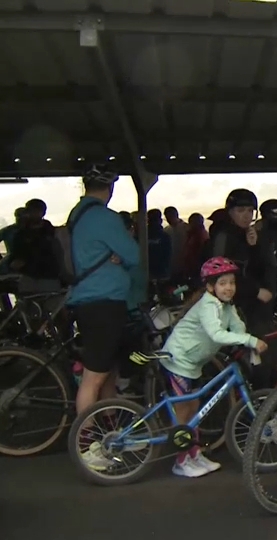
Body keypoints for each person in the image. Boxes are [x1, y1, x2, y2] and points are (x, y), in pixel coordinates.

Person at [159, 257, 268, 478]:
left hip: (193, 364)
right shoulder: (208, 305)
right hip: (178, 360)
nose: (229, 288)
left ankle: (194, 454)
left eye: (231, 282)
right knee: (184, 412)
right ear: (210, 287)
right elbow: (216, 334)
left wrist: (247, 339)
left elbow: (238, 327)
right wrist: (249, 340)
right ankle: (180, 462)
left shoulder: (226, 306)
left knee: (194, 409)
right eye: (222, 283)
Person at [67, 164, 140, 469]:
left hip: (88, 302)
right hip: (103, 303)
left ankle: (111, 433)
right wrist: (119, 256)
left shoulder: (78, 216)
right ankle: (85, 448)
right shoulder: (104, 217)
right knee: (94, 377)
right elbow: (134, 254)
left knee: (106, 371)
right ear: (109, 189)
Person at [205, 189, 276, 386]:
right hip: (234, 306)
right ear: (230, 212)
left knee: (256, 354)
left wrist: (254, 246)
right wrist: (255, 291)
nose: (246, 215)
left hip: (251, 306)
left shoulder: (251, 236)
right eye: (241, 210)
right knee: (249, 353)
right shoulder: (224, 236)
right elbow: (220, 272)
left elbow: (257, 268)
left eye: (250, 211)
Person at [164, 206, 190, 282]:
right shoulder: (166, 230)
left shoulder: (187, 228)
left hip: (185, 265)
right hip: (170, 266)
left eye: (170, 216)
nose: (168, 219)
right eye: (167, 217)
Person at [146, 209, 172, 281]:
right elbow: (168, 256)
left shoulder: (142, 235)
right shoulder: (165, 236)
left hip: (153, 271)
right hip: (161, 271)